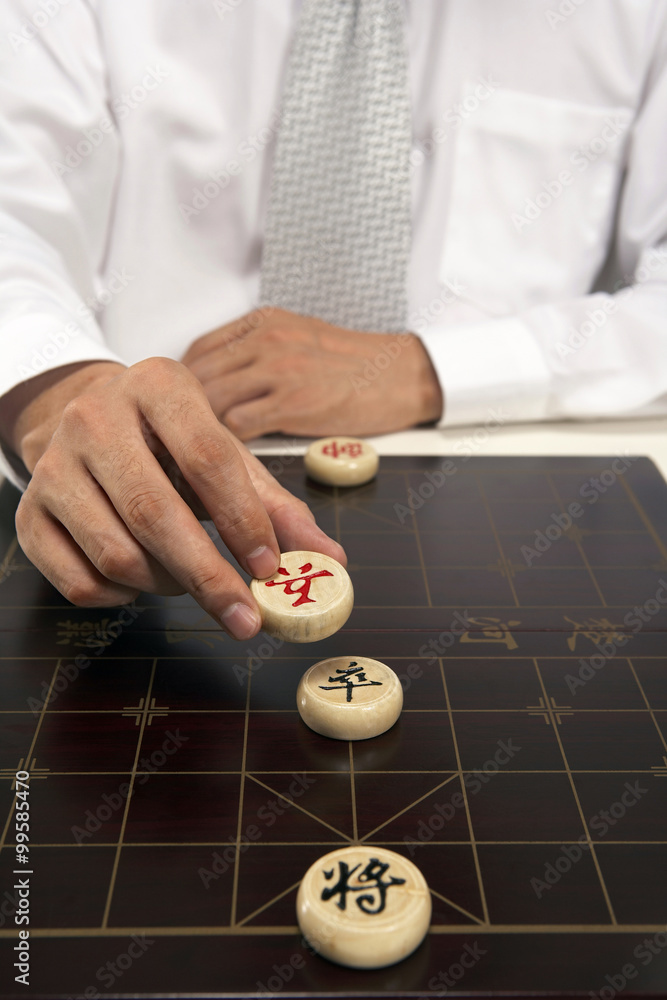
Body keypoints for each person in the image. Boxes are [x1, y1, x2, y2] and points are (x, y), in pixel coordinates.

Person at [0, 0, 665, 634]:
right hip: (148, 490)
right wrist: (57, 388)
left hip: (499, 494)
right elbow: (12, 217)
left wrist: (429, 369)